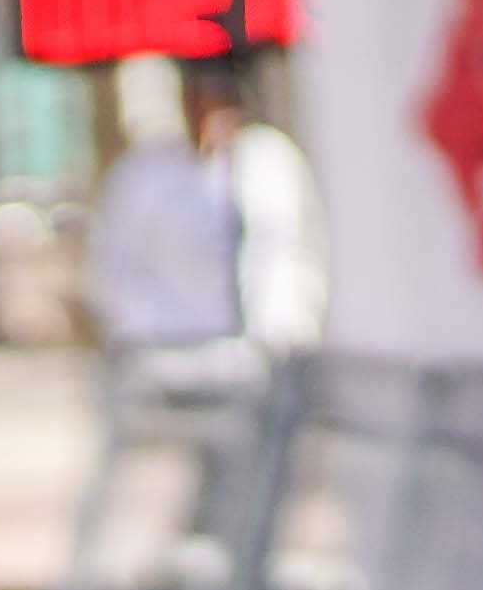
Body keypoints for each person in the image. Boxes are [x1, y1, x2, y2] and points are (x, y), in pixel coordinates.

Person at [84, 58, 323, 374]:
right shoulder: (144, 176)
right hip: (167, 364)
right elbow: (115, 272)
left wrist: (279, 335)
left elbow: (294, 254)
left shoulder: (268, 164)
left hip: (260, 368)